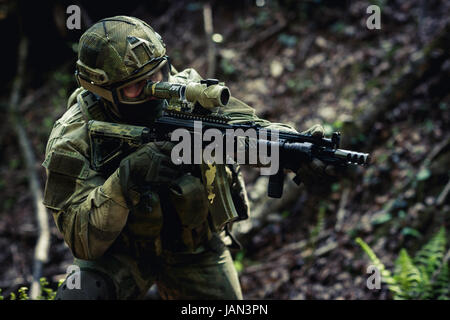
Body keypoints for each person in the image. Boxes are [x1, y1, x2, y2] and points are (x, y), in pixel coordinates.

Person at [42, 16, 328, 299]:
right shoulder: (73, 138)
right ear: (102, 90)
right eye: (135, 86)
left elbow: (242, 130)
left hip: (193, 248)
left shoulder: (188, 95)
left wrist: (288, 147)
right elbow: (81, 239)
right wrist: (126, 180)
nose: (154, 89)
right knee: (81, 295)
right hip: (123, 256)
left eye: (158, 74)